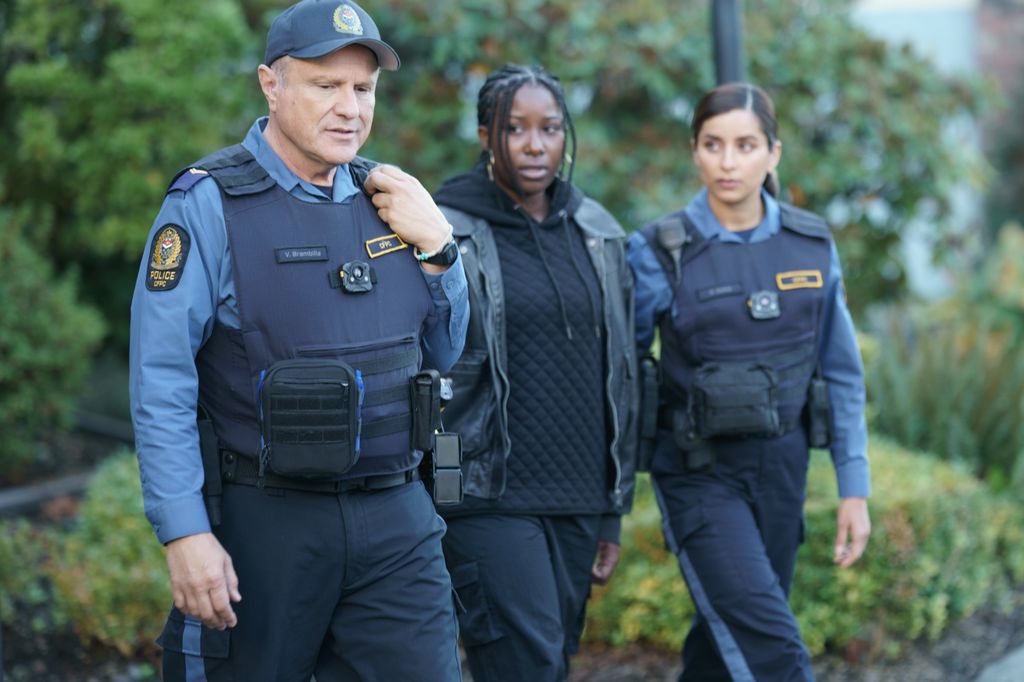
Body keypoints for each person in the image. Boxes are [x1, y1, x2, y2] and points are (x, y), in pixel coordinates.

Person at [128, 1, 468, 679]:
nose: (349, 107)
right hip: (267, 525)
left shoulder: (391, 199)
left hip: (396, 517)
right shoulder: (208, 203)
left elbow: (444, 353)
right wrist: (185, 531)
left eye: (363, 89)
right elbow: (161, 378)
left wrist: (441, 251)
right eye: (326, 85)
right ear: (271, 83)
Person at [627, 83, 871, 682]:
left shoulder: (811, 244)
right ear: (695, 151)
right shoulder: (658, 251)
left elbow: (840, 371)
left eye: (745, 145)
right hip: (698, 473)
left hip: (783, 469)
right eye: (713, 145)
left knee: (724, 640)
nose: (729, 162)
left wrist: (853, 487)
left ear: (774, 153)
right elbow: (620, 374)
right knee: (773, 649)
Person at [431, 64, 638, 681]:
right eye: (514, 128)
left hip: (576, 491)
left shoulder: (598, 232)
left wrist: (612, 509)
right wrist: (440, 493)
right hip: (484, 494)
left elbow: (622, 373)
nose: (534, 144)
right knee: (526, 661)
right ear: (484, 132)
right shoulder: (443, 229)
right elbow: (429, 370)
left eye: (549, 128)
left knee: (554, 659)